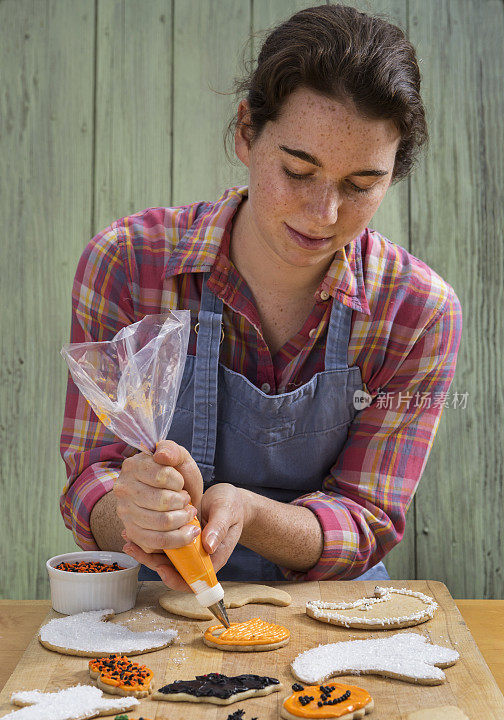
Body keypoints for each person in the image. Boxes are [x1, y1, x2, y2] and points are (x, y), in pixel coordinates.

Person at [60, 4, 462, 589]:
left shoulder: (416, 312)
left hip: (333, 618)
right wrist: (130, 508)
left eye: (361, 185)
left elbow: (368, 518)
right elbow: (88, 477)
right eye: (298, 170)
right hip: (151, 610)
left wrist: (246, 515)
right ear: (247, 131)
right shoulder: (127, 263)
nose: (324, 214)